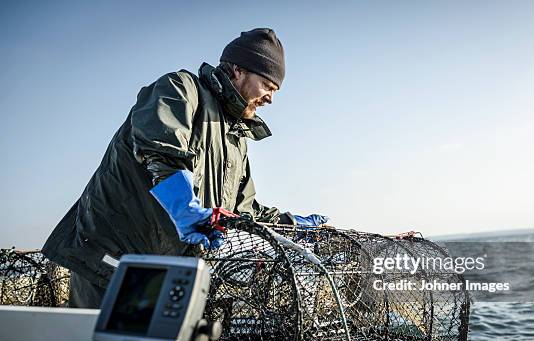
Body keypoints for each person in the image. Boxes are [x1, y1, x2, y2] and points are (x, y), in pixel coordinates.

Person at [42, 28, 328, 308]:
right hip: (111, 263)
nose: (271, 98)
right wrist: (183, 207)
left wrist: (291, 225)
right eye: (268, 85)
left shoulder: (236, 140)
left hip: (164, 271)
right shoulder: (181, 88)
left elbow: (245, 212)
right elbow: (160, 151)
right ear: (239, 70)